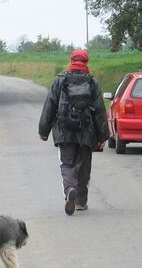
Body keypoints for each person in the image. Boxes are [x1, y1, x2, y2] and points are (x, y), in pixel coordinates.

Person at [39, 49, 110, 215]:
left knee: (68, 163)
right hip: (87, 130)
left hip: (64, 130)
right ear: (86, 62)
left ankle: (70, 188)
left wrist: (44, 131)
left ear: (71, 61)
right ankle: (80, 202)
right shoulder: (92, 82)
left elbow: (50, 106)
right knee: (84, 166)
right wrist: (102, 136)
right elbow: (99, 110)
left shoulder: (60, 80)